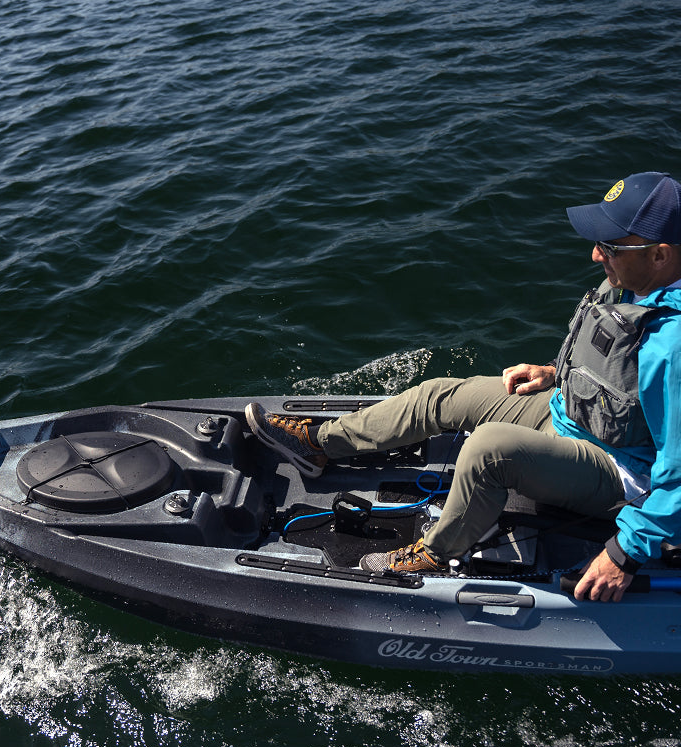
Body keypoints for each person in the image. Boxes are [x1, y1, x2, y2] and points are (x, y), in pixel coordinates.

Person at [245, 172, 681, 603]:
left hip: (620, 471)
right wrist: (554, 371)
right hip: (571, 413)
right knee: (441, 395)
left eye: (609, 246)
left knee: (489, 449)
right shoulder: (636, 283)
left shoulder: (675, 346)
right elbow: (618, 369)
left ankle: (438, 553)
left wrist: (623, 555)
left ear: (660, 255)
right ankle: (319, 445)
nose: (594, 255)